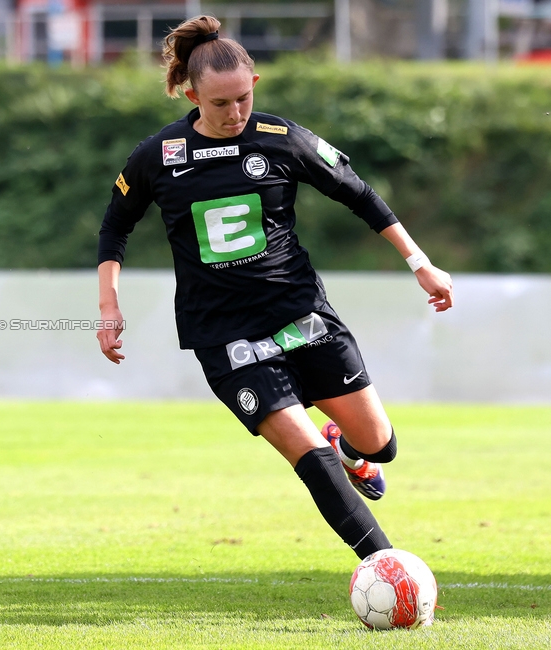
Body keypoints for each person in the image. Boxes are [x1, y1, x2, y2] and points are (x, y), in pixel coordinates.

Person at [96, 16, 454, 561]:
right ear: (192, 95)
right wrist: (108, 305)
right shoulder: (158, 156)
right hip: (223, 333)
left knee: (381, 445)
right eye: (220, 104)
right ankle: (387, 567)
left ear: (255, 85)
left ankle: (350, 449)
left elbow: (358, 194)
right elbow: (115, 226)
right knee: (306, 450)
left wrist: (420, 263)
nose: (235, 112)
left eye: (243, 98)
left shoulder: (282, 139)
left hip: (300, 311)